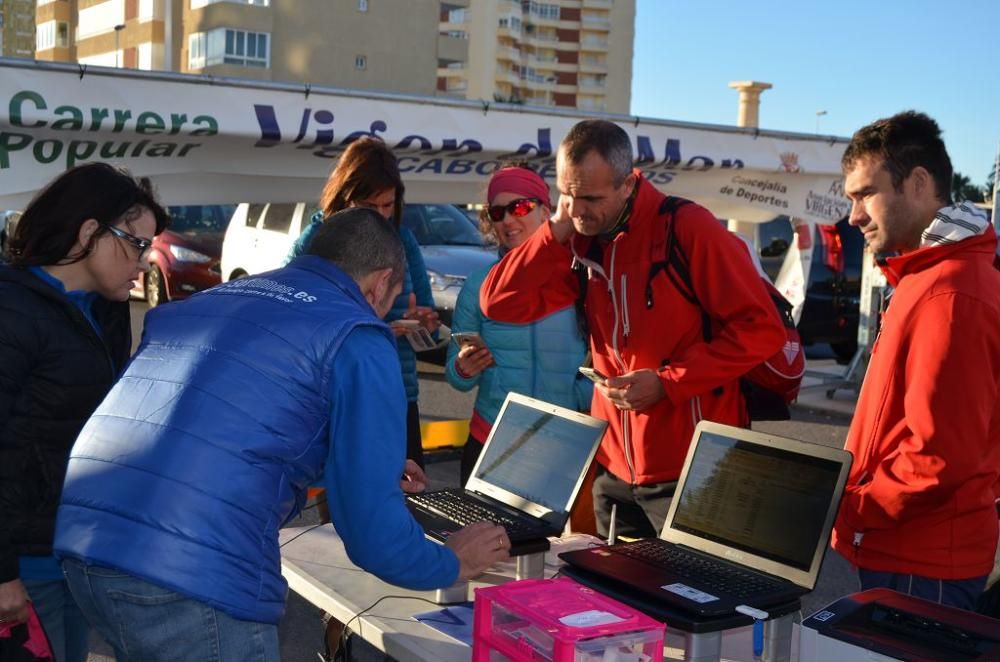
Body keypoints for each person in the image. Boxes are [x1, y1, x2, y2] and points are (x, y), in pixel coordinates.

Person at [53, 208, 510, 661]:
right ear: (381, 281)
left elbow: (227, 429)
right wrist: (452, 562)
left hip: (85, 540)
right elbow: (375, 536)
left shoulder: (215, 297)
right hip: (193, 571)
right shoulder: (358, 333)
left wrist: (352, 469)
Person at [479, 120, 786, 539]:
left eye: (590, 197)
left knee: (692, 600)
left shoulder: (687, 228)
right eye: (567, 194)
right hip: (615, 469)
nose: (578, 209)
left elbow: (762, 329)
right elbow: (498, 301)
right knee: (615, 601)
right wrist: (553, 231)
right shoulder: (577, 239)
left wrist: (668, 383)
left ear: (628, 184)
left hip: (693, 469)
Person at [830, 111, 1000, 611]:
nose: (854, 215)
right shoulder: (925, 277)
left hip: (923, 562)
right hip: (908, 550)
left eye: (865, 194)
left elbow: (937, 456)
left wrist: (846, 506)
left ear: (919, 182)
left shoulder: (949, 292)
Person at [0, 163, 168, 662]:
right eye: (137, 244)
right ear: (90, 232)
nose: (144, 263)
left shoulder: (103, 308)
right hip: (23, 567)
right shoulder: (12, 310)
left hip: (75, 553)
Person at [288, 136, 438, 469]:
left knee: (408, 500)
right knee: (344, 503)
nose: (382, 217)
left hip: (397, 392)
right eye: (371, 207)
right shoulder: (316, 241)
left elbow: (428, 318)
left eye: (389, 206)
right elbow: (293, 321)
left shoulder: (404, 239)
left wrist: (422, 323)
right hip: (337, 397)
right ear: (344, 197)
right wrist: (373, 328)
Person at [446, 164, 593, 486]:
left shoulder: (583, 276)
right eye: (497, 213)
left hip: (565, 440)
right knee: (482, 536)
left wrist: (580, 394)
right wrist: (463, 367)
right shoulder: (478, 284)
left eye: (520, 207)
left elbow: (608, 357)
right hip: (491, 440)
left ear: (546, 211)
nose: (508, 220)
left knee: (560, 539)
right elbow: (455, 377)